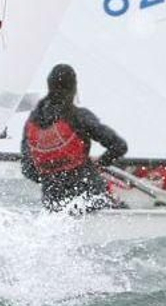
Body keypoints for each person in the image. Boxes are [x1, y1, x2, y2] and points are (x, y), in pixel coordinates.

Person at [19, 64, 128, 212]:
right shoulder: (78, 117)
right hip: (89, 197)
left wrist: (52, 179)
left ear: (49, 86)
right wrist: (100, 163)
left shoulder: (32, 123)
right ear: (74, 88)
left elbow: (27, 169)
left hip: (54, 203)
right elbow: (119, 146)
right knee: (123, 208)